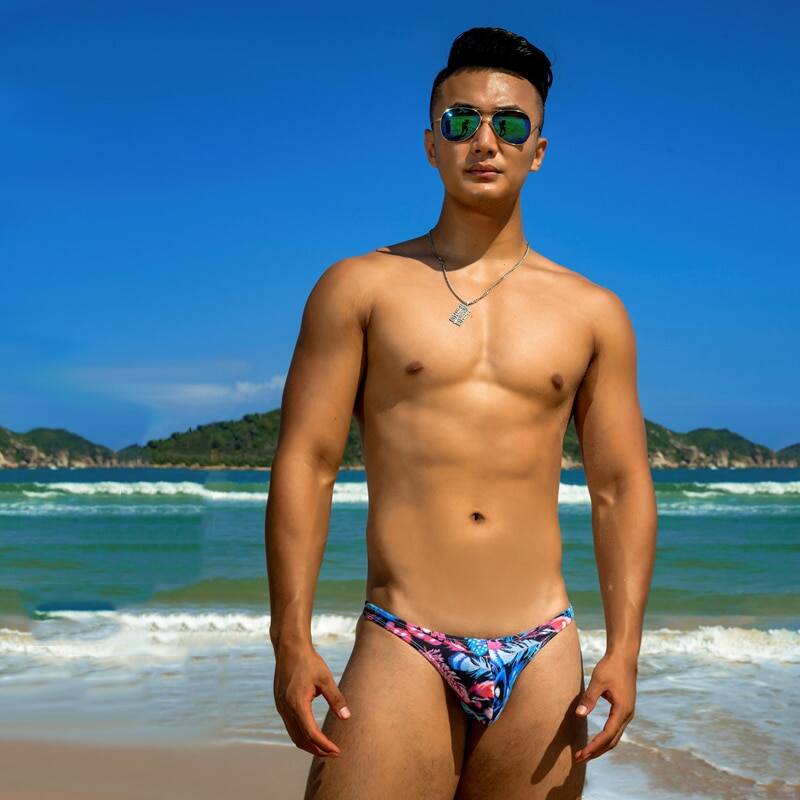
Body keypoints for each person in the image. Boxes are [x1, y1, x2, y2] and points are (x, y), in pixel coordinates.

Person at [265, 25, 657, 800]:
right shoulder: (360, 287)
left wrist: (625, 651)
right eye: (461, 121)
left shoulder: (593, 312)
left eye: (510, 123)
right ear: (430, 144)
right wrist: (290, 640)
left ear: (537, 150)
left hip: (543, 646)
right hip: (403, 636)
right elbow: (307, 463)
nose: (485, 140)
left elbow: (619, 487)